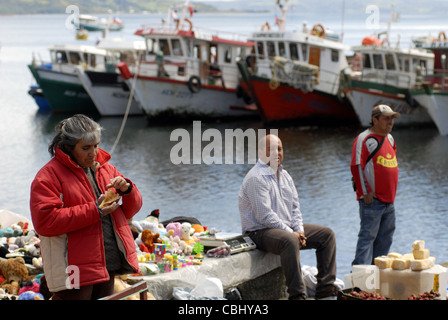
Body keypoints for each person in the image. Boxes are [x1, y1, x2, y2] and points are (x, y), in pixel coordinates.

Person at [30, 114, 142, 300]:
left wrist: (128, 190)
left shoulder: (106, 169)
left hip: (107, 262)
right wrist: (95, 210)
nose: (93, 153)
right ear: (68, 147)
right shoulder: (48, 177)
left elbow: (131, 210)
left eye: (96, 145)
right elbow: (46, 221)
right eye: (86, 148)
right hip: (73, 268)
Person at [238, 134, 337, 300]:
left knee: (326, 235)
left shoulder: (285, 175)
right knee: (289, 240)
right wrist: (292, 233)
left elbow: (295, 208)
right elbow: (264, 216)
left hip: (284, 228)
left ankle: (325, 291)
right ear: (261, 152)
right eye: (272, 149)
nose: (277, 152)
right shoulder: (256, 177)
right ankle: (297, 296)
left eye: (280, 148)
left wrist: (298, 230)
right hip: (258, 232)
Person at [351, 104, 400, 265]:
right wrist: (365, 192)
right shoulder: (364, 139)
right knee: (367, 238)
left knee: (386, 239)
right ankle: (360, 278)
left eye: (392, 119)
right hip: (372, 201)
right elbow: (356, 165)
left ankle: (376, 276)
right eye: (386, 118)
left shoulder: (390, 138)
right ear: (375, 120)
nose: (390, 122)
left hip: (389, 201)